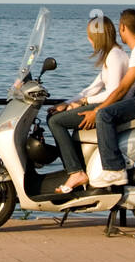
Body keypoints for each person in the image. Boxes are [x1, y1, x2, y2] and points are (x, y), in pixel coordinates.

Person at [76, 8, 135, 186]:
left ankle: (114, 170)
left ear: (122, 27)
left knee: (105, 116)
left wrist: (97, 110)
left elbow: (122, 88)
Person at [47, 14, 128, 193]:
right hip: (109, 104)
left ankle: (76, 172)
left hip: (112, 107)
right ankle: (78, 167)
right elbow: (94, 87)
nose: (88, 39)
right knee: (57, 115)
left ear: (98, 36)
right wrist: (67, 103)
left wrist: (83, 102)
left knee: (55, 122)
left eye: (90, 35)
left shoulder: (115, 56)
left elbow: (113, 91)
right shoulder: (111, 55)